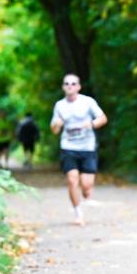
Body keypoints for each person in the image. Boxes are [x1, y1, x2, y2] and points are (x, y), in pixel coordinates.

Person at [50, 73, 108, 226]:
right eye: (67, 83)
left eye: (73, 83)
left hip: (87, 147)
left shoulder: (88, 102)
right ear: (63, 87)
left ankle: (86, 192)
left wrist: (92, 124)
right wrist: (56, 124)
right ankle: (78, 213)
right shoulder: (59, 105)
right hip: (68, 147)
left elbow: (103, 118)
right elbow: (55, 130)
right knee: (71, 179)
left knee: (86, 186)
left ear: (79, 87)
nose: (70, 86)